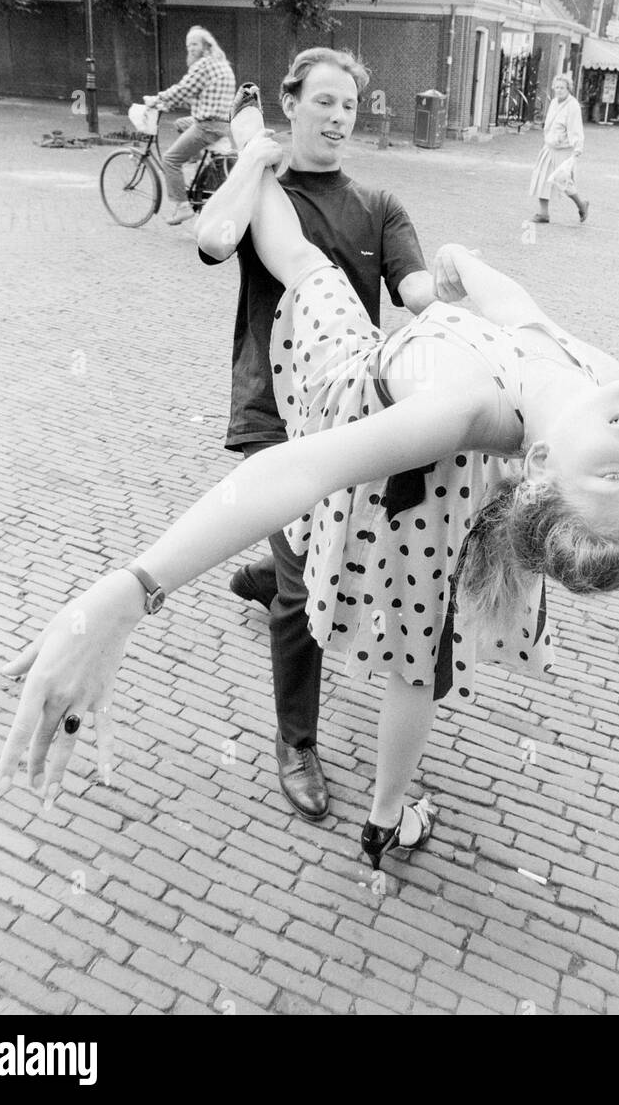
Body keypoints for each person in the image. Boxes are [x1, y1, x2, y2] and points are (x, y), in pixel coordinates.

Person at [0, 144, 619, 873]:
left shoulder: (464, 409)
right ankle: (380, 800)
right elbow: (527, 319)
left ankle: (250, 152)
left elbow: (295, 470)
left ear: (541, 465)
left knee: (307, 265)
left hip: (354, 389)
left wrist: (127, 592)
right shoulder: (603, 380)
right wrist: (464, 263)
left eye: (610, 473)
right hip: (437, 482)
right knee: (415, 643)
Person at [193, 48, 436, 822]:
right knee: (304, 588)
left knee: (317, 546)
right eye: (322, 102)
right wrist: (252, 157)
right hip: (273, 407)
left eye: (349, 107)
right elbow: (212, 240)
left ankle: (269, 572)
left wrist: (456, 299)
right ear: (292, 104)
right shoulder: (264, 191)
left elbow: (416, 291)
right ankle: (296, 741)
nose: (337, 118)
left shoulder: (379, 205)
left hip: (348, 410)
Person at [145, 27, 236, 225]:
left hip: (207, 126)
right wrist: (171, 103)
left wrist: (157, 99)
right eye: (188, 45)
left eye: (194, 44)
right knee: (180, 123)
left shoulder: (204, 65)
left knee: (170, 159)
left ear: (205, 45)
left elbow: (184, 89)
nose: (191, 48)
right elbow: (200, 95)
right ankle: (195, 163)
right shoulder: (221, 63)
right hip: (221, 123)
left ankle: (183, 207)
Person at [529, 75, 588, 224]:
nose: (559, 90)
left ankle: (581, 204)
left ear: (568, 89)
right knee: (541, 177)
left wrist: (577, 148)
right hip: (550, 147)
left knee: (564, 181)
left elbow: (576, 128)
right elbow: (549, 124)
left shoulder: (573, 105)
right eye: (557, 87)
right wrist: (547, 140)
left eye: (563, 87)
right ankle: (543, 213)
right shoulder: (554, 102)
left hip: (563, 149)